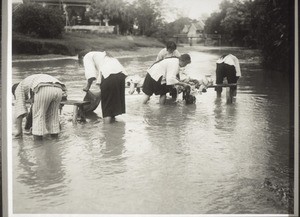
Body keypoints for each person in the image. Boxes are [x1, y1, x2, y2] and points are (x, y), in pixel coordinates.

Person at [12, 74, 67, 140]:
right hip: (58, 88)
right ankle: (55, 143)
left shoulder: (18, 88)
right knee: (53, 118)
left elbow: (19, 111)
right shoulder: (29, 83)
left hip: (43, 87)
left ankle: (38, 146)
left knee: (38, 118)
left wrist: (19, 132)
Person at [79, 51, 127, 123]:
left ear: (82, 57)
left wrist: (87, 86)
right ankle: (115, 130)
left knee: (107, 108)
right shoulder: (101, 55)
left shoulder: (87, 56)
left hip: (110, 75)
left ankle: (106, 130)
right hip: (121, 76)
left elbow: (91, 75)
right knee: (113, 105)